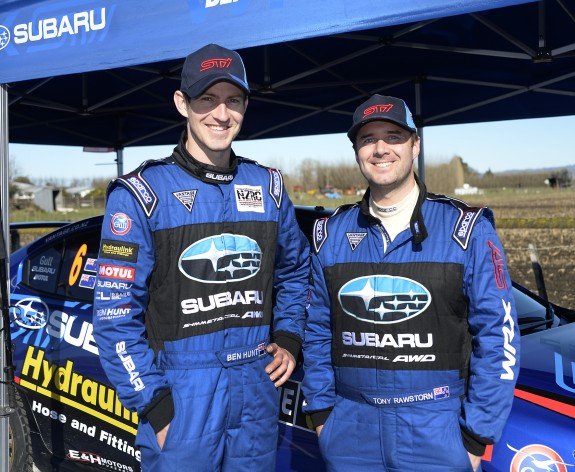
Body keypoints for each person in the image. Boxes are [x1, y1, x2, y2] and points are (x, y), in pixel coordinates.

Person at [92, 43, 310, 471]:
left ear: (246, 105)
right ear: (182, 103)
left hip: (256, 389)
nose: (221, 114)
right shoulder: (142, 195)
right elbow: (115, 317)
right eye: (207, 99)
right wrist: (153, 403)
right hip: (182, 396)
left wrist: (288, 337)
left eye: (233, 100)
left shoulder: (268, 187)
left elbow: (297, 269)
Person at [301, 94, 520, 472]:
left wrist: (473, 438)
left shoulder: (464, 230)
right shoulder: (330, 234)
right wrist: (322, 416)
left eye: (393, 136)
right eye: (368, 139)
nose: (381, 148)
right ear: (356, 151)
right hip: (351, 432)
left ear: (415, 145)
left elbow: (499, 336)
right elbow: (316, 330)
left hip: (438, 431)